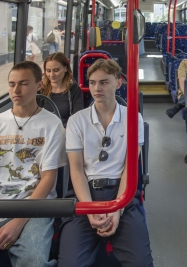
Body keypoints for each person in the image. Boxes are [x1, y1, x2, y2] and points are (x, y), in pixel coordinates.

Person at [58, 59, 153, 267]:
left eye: (103, 82)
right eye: (92, 83)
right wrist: (90, 209)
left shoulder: (132, 118)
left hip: (122, 193)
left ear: (119, 82)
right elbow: (76, 170)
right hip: (84, 195)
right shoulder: (77, 121)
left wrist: (117, 209)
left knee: (140, 263)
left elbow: (131, 168)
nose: (96, 88)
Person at [0, 61, 67, 266]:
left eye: (23, 84)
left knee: (34, 261)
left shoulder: (51, 124)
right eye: (11, 84)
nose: (16, 90)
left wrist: (18, 221)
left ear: (39, 84)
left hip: (35, 206)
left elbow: (48, 178)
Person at [40, 52, 84, 127]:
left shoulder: (73, 89)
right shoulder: (40, 89)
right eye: (48, 71)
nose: (51, 75)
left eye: (56, 70)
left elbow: (78, 117)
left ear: (65, 68)